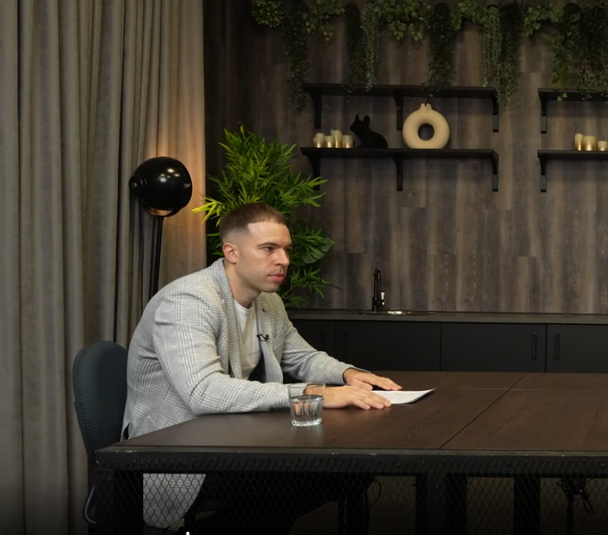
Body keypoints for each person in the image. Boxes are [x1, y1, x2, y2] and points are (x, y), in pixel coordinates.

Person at [123, 202, 401, 533]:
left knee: (350, 470)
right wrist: (316, 394)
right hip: (175, 453)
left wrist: (348, 374)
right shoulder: (188, 301)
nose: (283, 260)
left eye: (286, 249)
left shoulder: (267, 300)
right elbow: (202, 392)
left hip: (231, 437)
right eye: (268, 248)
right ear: (232, 252)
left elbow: (302, 357)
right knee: (300, 477)